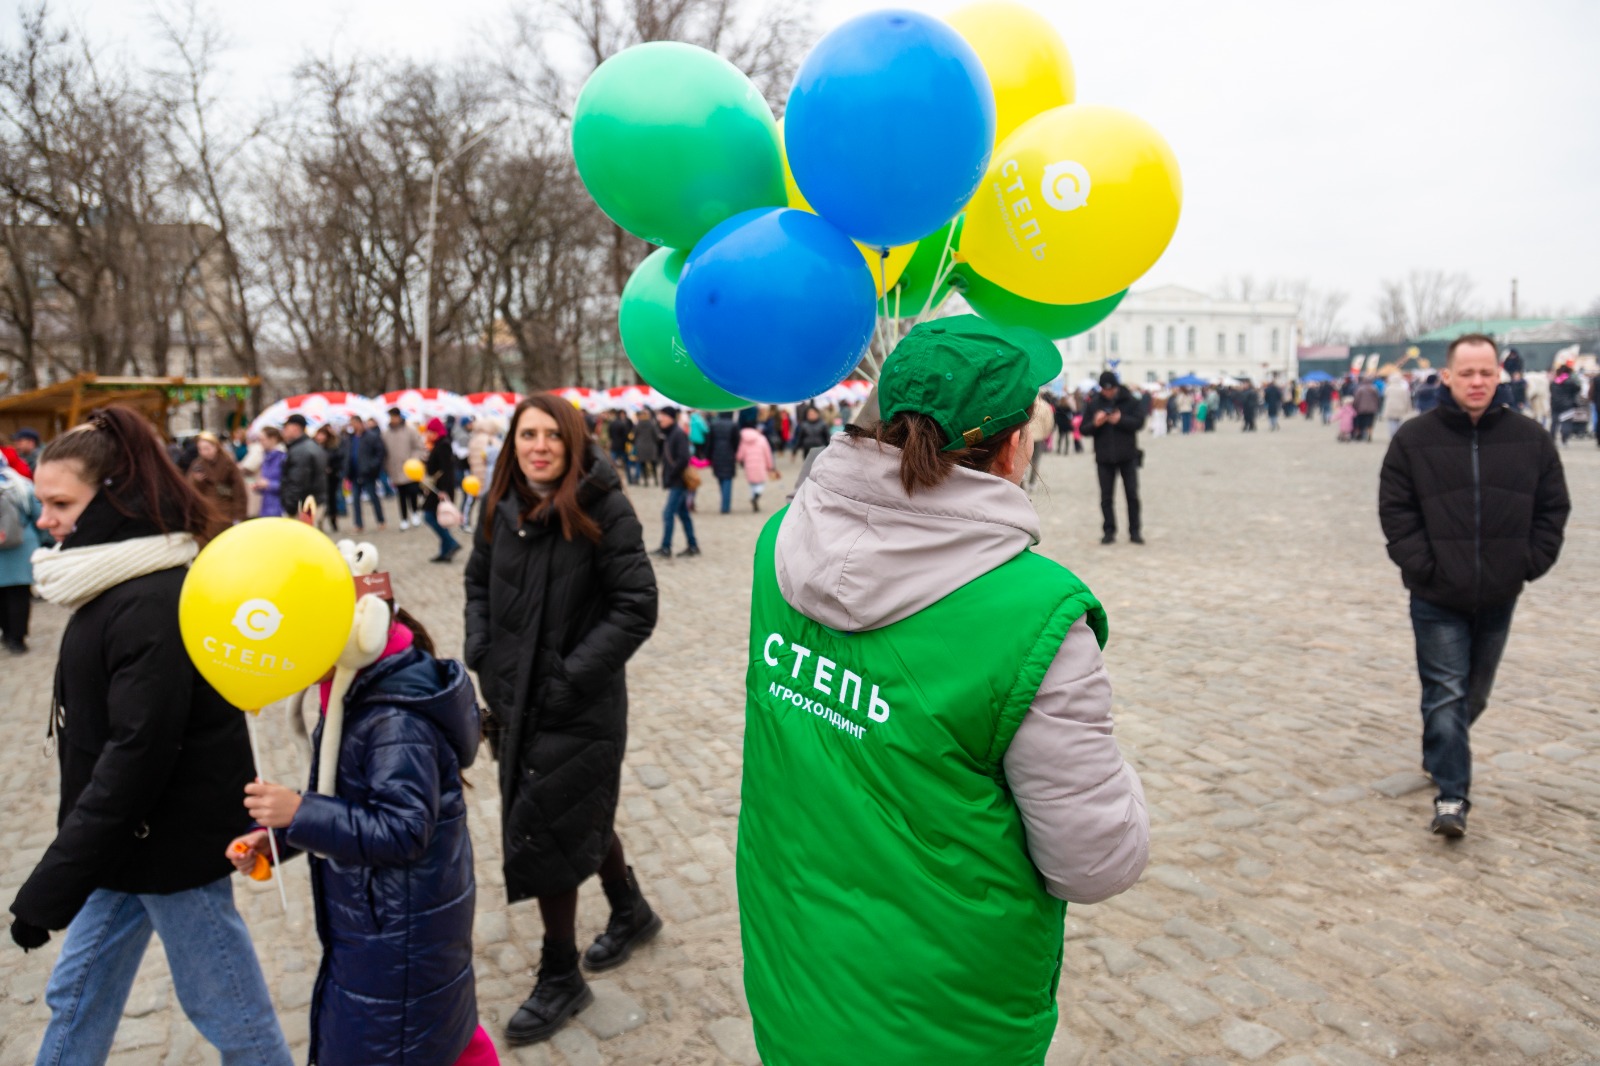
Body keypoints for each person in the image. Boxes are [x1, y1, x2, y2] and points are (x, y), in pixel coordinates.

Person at [738, 316, 1148, 1066]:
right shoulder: (1032, 611)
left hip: (795, 967)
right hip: (947, 1006)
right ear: (1015, 447)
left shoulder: (780, 546)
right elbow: (1094, 861)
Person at [9, 407, 293, 1064]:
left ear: (115, 499)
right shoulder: (106, 578)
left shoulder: (151, 599)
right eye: (43, 501)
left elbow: (134, 756)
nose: (44, 519)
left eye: (60, 503)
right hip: (124, 842)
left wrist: (53, 884)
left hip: (169, 849)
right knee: (75, 994)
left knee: (230, 1013)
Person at [463, 394, 660, 1046]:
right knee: (570, 809)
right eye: (528, 434)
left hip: (580, 703)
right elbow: (477, 587)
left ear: (573, 442)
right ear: (513, 443)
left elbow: (636, 605)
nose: (539, 446)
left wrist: (569, 678)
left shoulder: (604, 506)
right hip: (514, 700)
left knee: (546, 819)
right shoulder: (500, 509)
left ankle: (560, 974)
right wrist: (483, 656)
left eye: (552, 435)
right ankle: (629, 909)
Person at [232, 584, 495, 1065]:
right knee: (433, 1036)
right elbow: (348, 799)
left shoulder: (394, 719)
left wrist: (299, 812)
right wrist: (280, 838)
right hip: (389, 923)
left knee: (403, 1041)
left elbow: (402, 829)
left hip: (400, 930)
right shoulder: (355, 692)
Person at [1379, 334, 1569, 838]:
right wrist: (1424, 567)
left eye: (1486, 372)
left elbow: (1553, 508)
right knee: (1446, 691)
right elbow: (1396, 512)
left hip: (1499, 593)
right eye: (1467, 373)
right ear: (1447, 377)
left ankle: (1438, 747)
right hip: (1437, 594)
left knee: (1472, 695)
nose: (1478, 382)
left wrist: (1527, 563)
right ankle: (1451, 796)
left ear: (1499, 375)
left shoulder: (1531, 439)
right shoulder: (1414, 439)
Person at [1084, 370, 1145, 544]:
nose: (1107, 392)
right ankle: (1109, 530)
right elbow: (1083, 429)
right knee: (1106, 497)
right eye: (1104, 388)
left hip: (1128, 456)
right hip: (1104, 457)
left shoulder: (1130, 401)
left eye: (1110, 388)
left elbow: (1139, 423)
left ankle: (1135, 531)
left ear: (1116, 387)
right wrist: (1096, 423)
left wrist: (1120, 420)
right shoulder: (1094, 403)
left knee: (1132, 495)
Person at [0, 452, 47, 653]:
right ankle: (18, 639)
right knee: (19, 594)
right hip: (22, 545)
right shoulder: (21, 484)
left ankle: (6, 633)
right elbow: (39, 515)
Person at [656, 407, 699, 558]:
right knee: (684, 514)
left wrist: (671, 474)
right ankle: (693, 546)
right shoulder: (669, 434)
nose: (659, 418)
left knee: (668, 513)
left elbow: (683, 458)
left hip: (679, 482)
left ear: (670, 417)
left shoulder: (678, 434)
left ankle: (666, 547)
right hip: (676, 481)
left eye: (662, 415)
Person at [187, 430, 248, 535]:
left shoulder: (227, 463)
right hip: (206, 512)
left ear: (216, 447)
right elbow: (189, 489)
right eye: (200, 449)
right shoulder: (197, 464)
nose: (204, 452)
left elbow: (239, 490)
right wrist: (196, 480)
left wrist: (239, 515)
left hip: (226, 511)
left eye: (207, 449)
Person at [422, 417, 461, 563]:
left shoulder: (443, 445)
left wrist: (444, 490)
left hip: (441, 489)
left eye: (431, 431)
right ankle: (445, 552)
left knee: (429, 516)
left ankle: (451, 543)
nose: (428, 434)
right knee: (440, 518)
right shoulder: (437, 444)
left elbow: (447, 469)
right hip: (437, 487)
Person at [383, 407, 429, 530]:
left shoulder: (410, 430)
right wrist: (387, 466)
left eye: (394, 417)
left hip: (410, 468)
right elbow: (385, 452)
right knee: (401, 494)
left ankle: (414, 513)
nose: (393, 419)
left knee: (412, 491)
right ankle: (403, 518)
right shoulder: (386, 433)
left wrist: (413, 460)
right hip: (395, 468)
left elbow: (419, 447)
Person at [279, 413, 325, 517]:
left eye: (286, 427)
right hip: (312, 503)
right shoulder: (309, 445)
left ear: (295, 428)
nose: (283, 430)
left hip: (303, 507)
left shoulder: (300, 451)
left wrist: (290, 507)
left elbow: (298, 482)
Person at [351, 416, 389, 531]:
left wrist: (372, 466)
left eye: (354, 423)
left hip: (368, 473)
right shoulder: (350, 438)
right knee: (355, 500)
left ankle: (381, 520)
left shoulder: (371, 436)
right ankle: (358, 524)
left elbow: (380, 453)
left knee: (373, 497)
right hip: (354, 473)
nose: (353, 426)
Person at [736, 421, 777, 512]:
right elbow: (767, 453)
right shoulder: (762, 438)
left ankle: (753, 496)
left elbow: (740, 454)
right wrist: (770, 465)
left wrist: (738, 459)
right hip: (760, 464)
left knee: (752, 483)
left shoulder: (743, 440)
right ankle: (757, 495)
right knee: (761, 483)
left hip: (748, 465)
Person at [707, 411, 740, 514]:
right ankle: (725, 506)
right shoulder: (733, 425)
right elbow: (736, 441)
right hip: (729, 454)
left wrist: (709, 455)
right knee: (727, 480)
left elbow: (709, 442)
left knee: (721, 478)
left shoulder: (714, 424)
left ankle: (724, 504)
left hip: (716, 454)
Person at [253, 424, 287, 517]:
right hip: (266, 506)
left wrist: (269, 485)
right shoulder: (265, 457)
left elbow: (289, 485)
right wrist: (259, 486)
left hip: (280, 508)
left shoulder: (283, 457)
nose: (260, 443)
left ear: (273, 439)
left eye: (262, 439)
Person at [1025, 391, 1054, 492]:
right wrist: (1045, 434)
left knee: (1023, 460)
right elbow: (1049, 423)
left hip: (1025, 436)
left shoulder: (1025, 403)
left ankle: (1022, 480)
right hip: (1039, 437)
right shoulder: (1045, 406)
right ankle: (1032, 483)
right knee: (1036, 461)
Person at [632, 409, 662, 487]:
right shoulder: (652, 424)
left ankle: (645, 481)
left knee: (643, 465)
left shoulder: (638, 424)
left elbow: (634, 436)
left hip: (641, 446)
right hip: (651, 446)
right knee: (653, 464)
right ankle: (656, 480)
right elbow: (656, 435)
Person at [1382, 371, 1414, 438]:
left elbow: (1384, 396)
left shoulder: (1388, 388)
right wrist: (1408, 408)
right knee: (1398, 422)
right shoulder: (1403, 389)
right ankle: (1397, 435)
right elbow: (1407, 399)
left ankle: (1393, 436)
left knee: (1391, 422)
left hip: (1390, 407)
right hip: (1400, 407)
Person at [606, 410, 634, 483]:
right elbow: (626, 436)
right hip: (622, 446)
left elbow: (609, 434)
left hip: (614, 446)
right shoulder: (623, 424)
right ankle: (630, 479)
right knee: (626, 464)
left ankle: (611, 480)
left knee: (612, 464)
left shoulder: (612, 423)